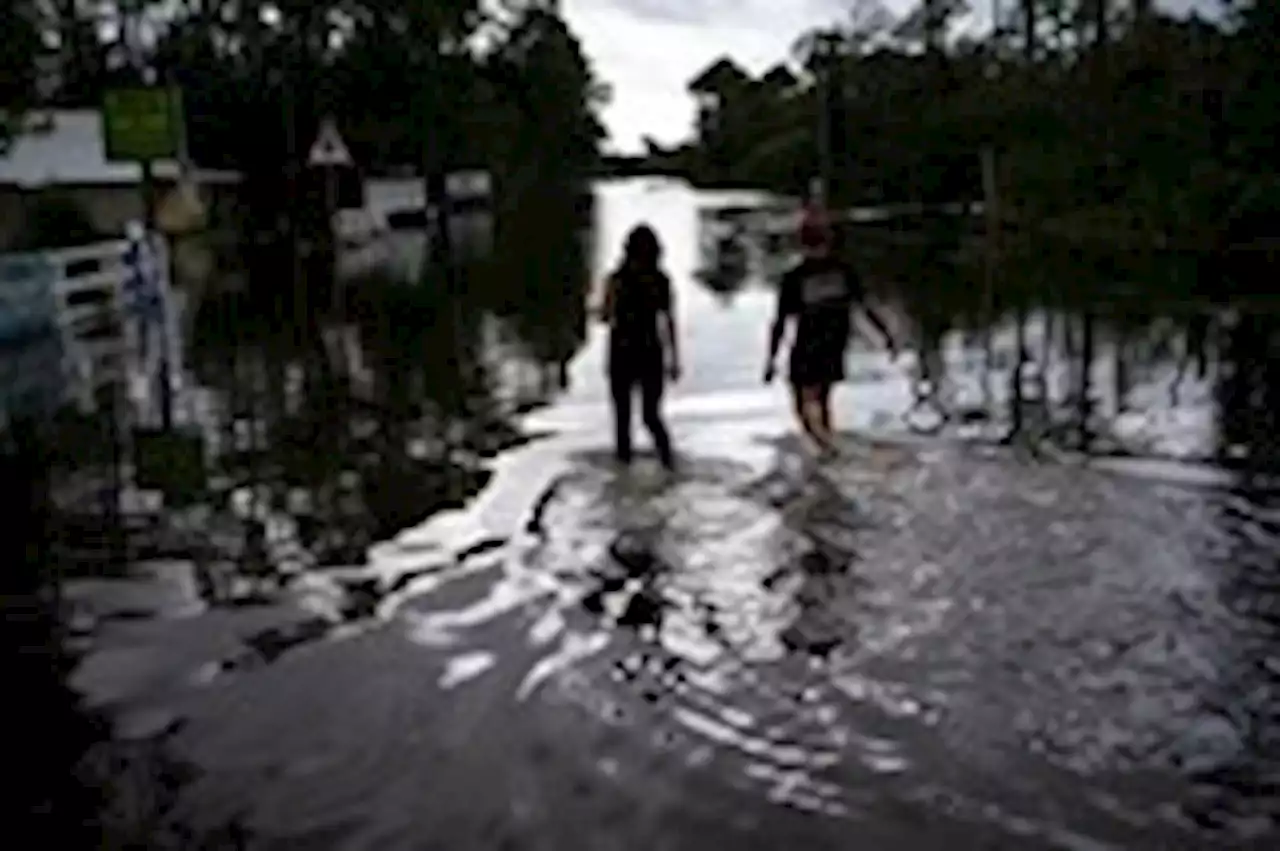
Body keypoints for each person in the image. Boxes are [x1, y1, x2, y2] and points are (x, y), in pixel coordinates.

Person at [763, 211, 897, 458]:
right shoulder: (843, 271)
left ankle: (823, 445)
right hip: (835, 342)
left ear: (802, 242)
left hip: (807, 343)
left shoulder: (795, 277)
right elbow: (865, 306)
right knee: (823, 397)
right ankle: (827, 439)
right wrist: (886, 335)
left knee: (801, 399)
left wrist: (770, 359)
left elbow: (781, 321)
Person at [597, 224, 680, 469]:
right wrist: (674, 359)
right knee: (651, 415)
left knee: (622, 418)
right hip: (651, 351)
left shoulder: (616, 279)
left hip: (620, 351)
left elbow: (604, 316)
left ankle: (623, 467)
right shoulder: (661, 280)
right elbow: (669, 322)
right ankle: (668, 462)